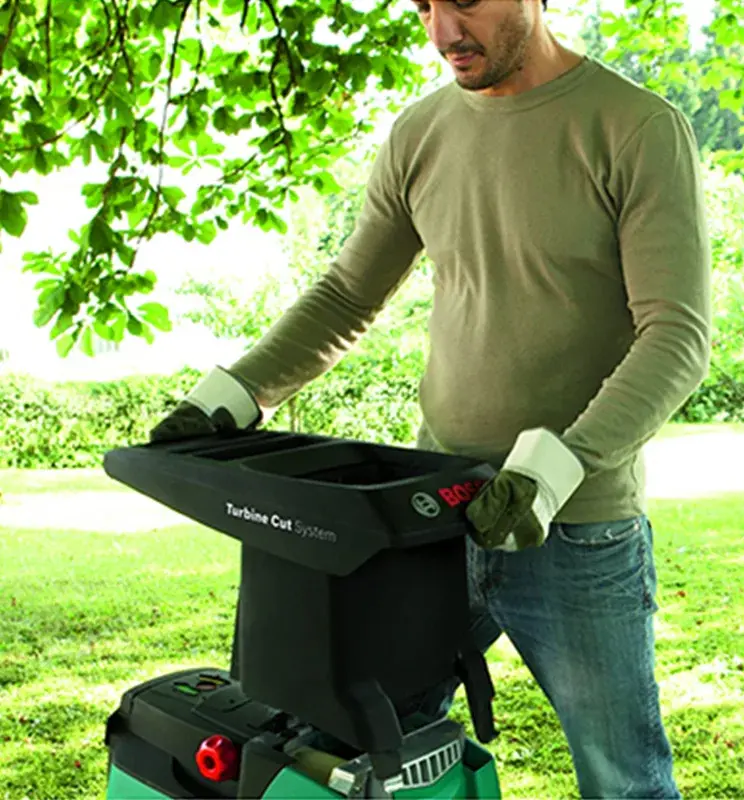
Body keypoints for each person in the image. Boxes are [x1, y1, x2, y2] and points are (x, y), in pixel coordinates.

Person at [151, 0, 711, 796]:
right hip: (430, 521)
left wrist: (555, 471)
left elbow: (676, 336)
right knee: (359, 756)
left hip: (576, 529)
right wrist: (233, 396)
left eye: (465, 2)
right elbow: (346, 296)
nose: (444, 31)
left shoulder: (634, 127)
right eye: (423, 6)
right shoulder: (420, 133)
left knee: (626, 784)